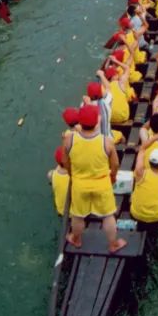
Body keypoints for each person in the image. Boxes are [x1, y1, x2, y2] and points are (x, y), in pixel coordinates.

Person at [62, 104, 126, 252]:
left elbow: (66, 162)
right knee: (108, 216)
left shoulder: (69, 140)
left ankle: (76, 239)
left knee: (78, 216)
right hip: (102, 184)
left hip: (79, 185)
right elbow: (115, 164)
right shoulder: (106, 142)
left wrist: (73, 175)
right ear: (97, 122)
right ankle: (113, 244)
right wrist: (113, 177)